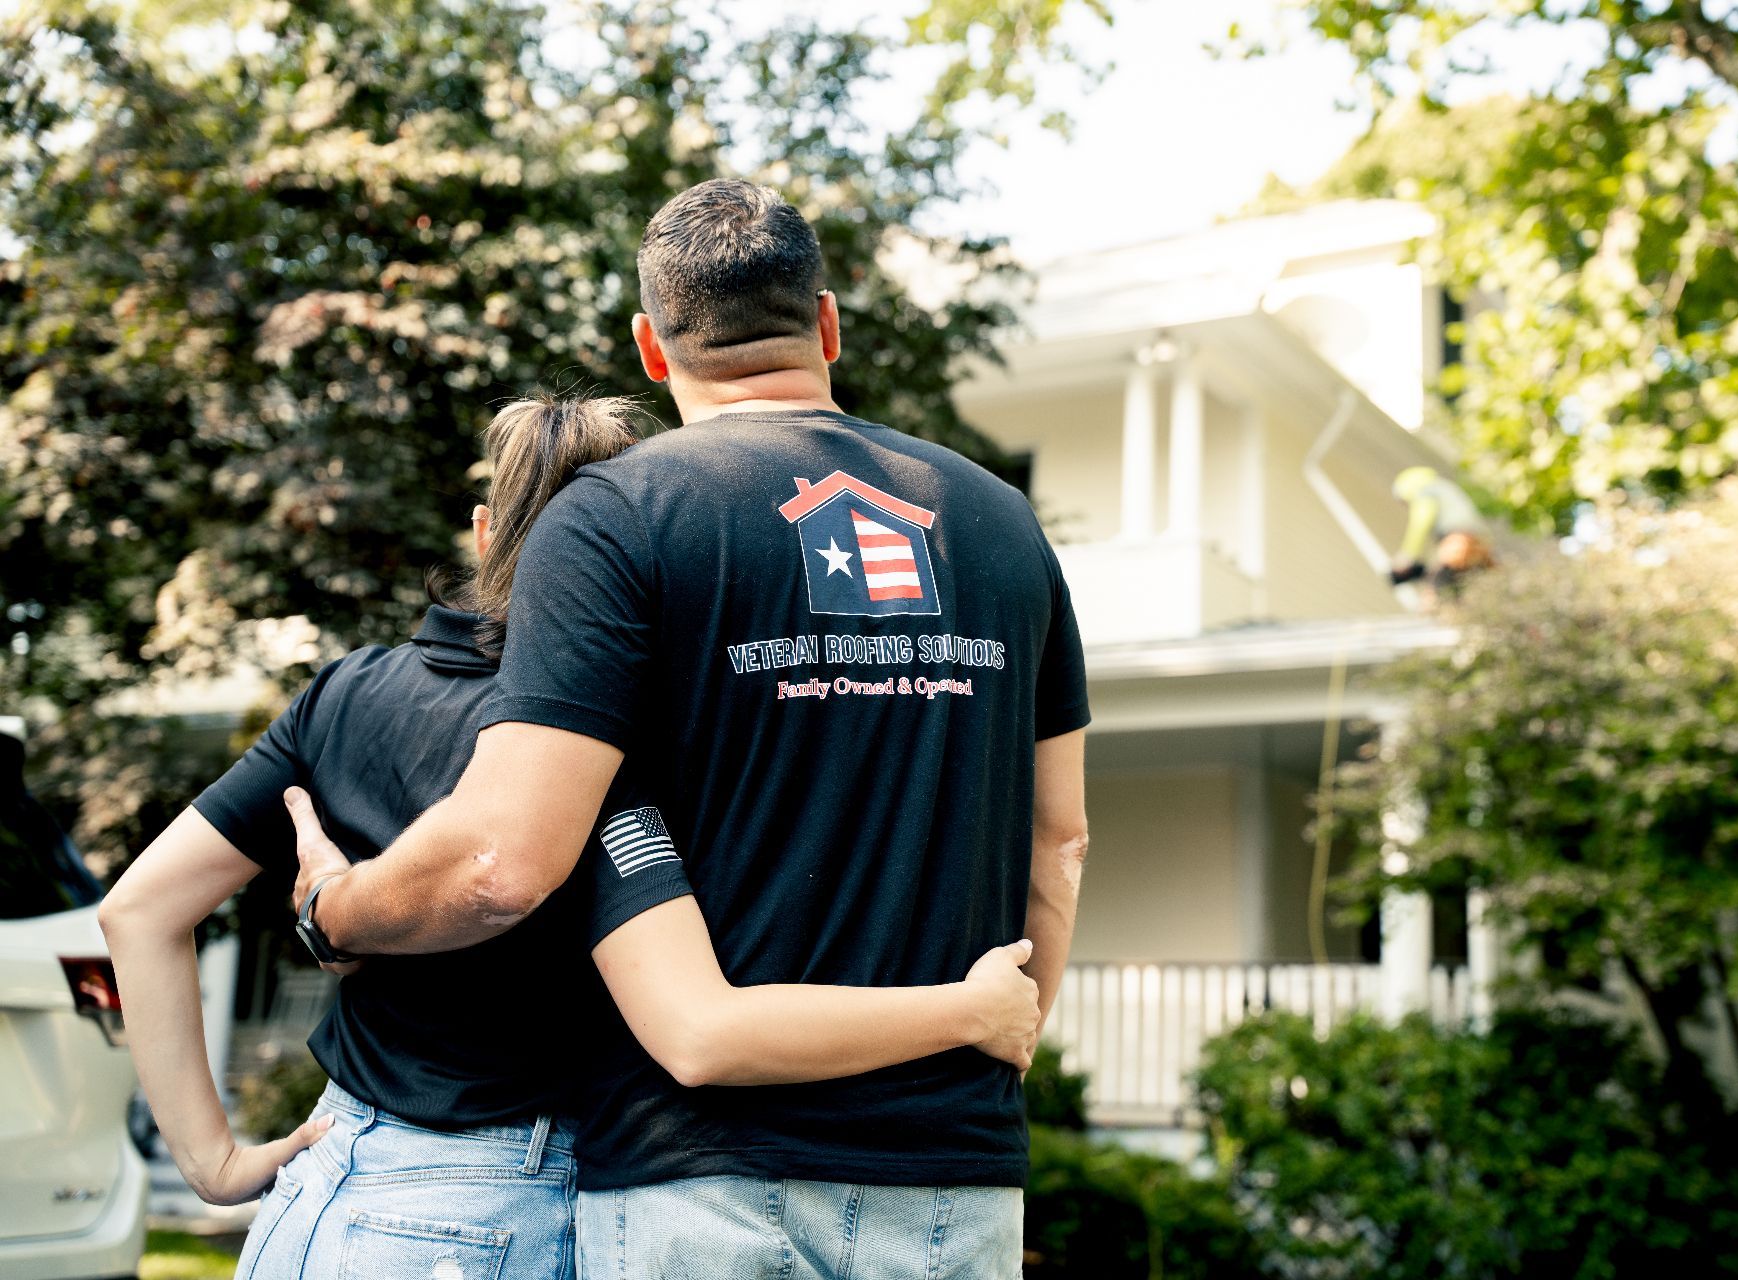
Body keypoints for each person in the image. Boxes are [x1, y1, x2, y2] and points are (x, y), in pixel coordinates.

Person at [286, 179, 1092, 1278]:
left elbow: (501, 862)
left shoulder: (617, 515)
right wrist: (1002, 1021)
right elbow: (1062, 841)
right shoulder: (1004, 526)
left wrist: (334, 911)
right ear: (827, 322)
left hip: (706, 1186)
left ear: (651, 350)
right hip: (959, 1180)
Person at [98, 394, 1042, 1280]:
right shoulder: (596, 757)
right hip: (501, 1212)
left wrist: (212, 1160)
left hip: (321, 1199)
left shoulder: (342, 693)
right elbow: (688, 1016)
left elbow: (139, 908)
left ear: (481, 533)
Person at [1389, 464, 1495, 588]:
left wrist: (1407, 555)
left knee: (1435, 588)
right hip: (1479, 543)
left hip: (1459, 541)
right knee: (1458, 586)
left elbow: (1421, 522)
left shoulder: (1425, 492)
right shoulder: (1443, 487)